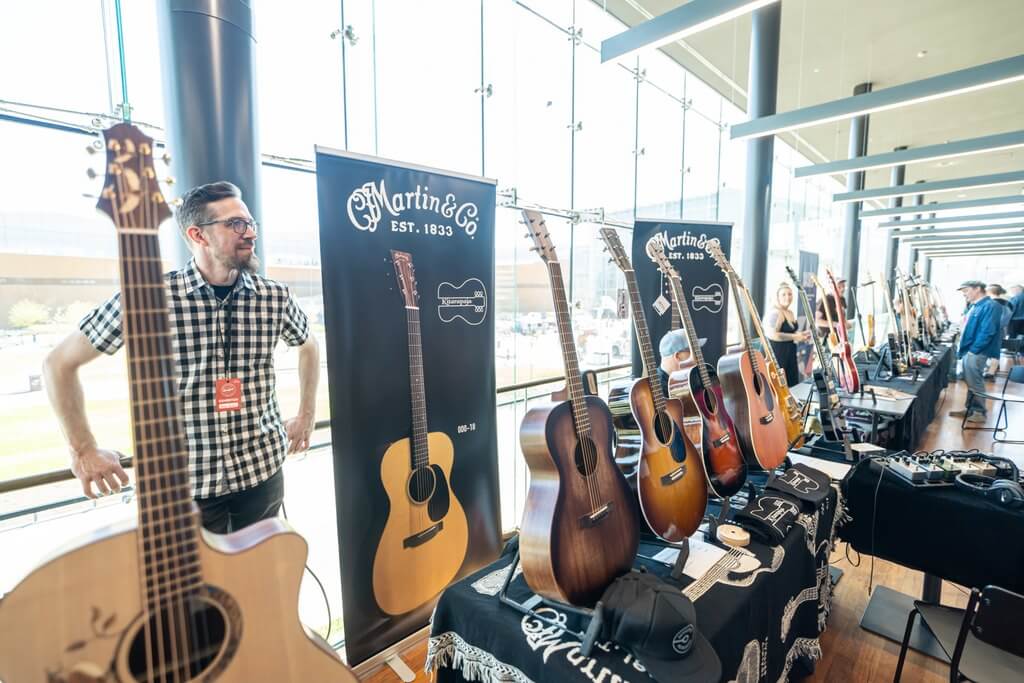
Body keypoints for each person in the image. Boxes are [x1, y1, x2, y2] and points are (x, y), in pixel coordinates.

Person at [43, 181, 320, 533]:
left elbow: (308, 346)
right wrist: (83, 450)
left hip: (261, 476)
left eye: (251, 223)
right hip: (184, 490)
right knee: (199, 590)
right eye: (236, 224)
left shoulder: (274, 297)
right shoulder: (148, 298)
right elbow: (58, 364)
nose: (250, 233)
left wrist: (306, 415)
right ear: (198, 235)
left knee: (261, 584)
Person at [949, 280, 1001, 424]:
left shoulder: (991, 306)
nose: (964, 294)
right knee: (969, 380)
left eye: (966, 291)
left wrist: (974, 350)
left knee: (975, 381)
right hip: (969, 350)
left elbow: (988, 331)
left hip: (977, 351)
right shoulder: (975, 306)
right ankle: (970, 408)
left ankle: (979, 412)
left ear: (977, 289)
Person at [763, 283, 811, 387]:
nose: (787, 297)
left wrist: (801, 335)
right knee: (780, 387)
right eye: (783, 294)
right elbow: (773, 335)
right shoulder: (775, 313)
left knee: (792, 385)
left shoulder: (790, 312)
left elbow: (790, 332)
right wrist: (795, 337)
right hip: (778, 354)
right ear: (777, 296)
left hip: (790, 353)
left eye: (790, 294)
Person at [658, 330, 706, 397]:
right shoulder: (656, 390)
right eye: (694, 352)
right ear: (678, 356)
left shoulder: (693, 376)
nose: (698, 357)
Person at [984, 284, 1011, 379]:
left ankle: (990, 372)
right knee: (995, 352)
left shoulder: (991, 304)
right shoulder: (1008, 304)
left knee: (988, 352)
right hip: (1001, 331)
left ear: (990, 292)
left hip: (992, 331)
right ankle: (991, 371)